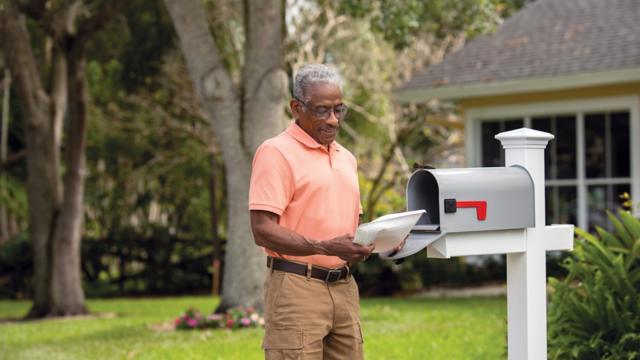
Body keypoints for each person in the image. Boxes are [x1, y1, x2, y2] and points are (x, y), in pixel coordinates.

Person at [249, 64, 374, 359]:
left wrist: (385, 242)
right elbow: (262, 229)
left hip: (344, 288)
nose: (333, 120)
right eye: (321, 111)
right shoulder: (276, 153)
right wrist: (324, 246)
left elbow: (351, 226)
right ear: (296, 107)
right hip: (295, 288)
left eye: (339, 110)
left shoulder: (347, 158)